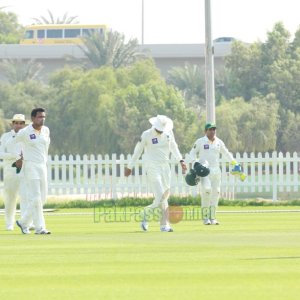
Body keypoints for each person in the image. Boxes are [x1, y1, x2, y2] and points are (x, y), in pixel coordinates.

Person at [125, 115, 187, 232]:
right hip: (152, 167)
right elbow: (137, 151)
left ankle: (144, 214)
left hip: (165, 167)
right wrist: (130, 166)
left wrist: (181, 160)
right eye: (159, 129)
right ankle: (164, 225)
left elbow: (174, 147)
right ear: (154, 126)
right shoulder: (146, 134)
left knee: (164, 196)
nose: (160, 131)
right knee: (161, 196)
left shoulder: (169, 133)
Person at [188, 123, 241, 225]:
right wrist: (196, 163)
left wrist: (235, 163)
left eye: (214, 129)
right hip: (204, 171)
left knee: (216, 192)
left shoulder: (218, 142)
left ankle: (213, 217)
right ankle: (205, 218)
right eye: (210, 129)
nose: (212, 131)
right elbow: (191, 154)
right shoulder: (200, 142)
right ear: (205, 131)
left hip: (216, 171)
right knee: (207, 191)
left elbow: (226, 153)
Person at [15, 108, 51, 235]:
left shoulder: (46, 130)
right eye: (40, 117)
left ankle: (23, 222)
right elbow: (13, 142)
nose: (42, 119)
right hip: (30, 166)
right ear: (33, 118)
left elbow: (45, 148)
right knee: (35, 198)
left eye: (43, 117)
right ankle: (40, 228)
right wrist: (18, 157)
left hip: (42, 166)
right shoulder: (25, 132)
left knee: (43, 198)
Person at [0, 114, 26, 230]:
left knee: (25, 197)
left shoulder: (27, 136)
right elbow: (1, 154)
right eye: (16, 123)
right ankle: (9, 223)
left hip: (25, 170)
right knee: (10, 198)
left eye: (21, 123)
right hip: (10, 171)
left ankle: (25, 222)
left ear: (24, 124)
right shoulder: (5, 137)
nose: (19, 125)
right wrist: (13, 156)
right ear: (12, 124)